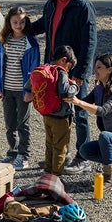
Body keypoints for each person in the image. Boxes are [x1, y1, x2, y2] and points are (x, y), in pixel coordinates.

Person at [29, 0, 97, 175]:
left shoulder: (82, 7)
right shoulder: (52, 3)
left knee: (79, 113)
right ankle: (61, 153)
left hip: (73, 72)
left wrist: (80, 75)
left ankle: (83, 158)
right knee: (56, 112)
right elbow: (43, 24)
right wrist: (21, 27)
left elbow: (89, 43)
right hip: (54, 71)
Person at [64, 53, 112, 191]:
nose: (95, 70)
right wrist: (69, 92)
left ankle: (109, 180)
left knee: (105, 136)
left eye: (99, 67)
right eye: (95, 67)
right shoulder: (99, 89)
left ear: (110, 69)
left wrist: (78, 102)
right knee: (85, 150)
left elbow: (102, 111)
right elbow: (79, 106)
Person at [0, 6, 40, 170]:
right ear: (9, 22)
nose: (19, 25)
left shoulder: (30, 43)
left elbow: (35, 69)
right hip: (7, 89)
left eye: (22, 22)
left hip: (23, 91)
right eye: (15, 22)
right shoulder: (3, 41)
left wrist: (30, 90)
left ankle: (23, 155)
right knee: (10, 124)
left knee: (23, 124)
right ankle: (12, 152)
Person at [25, 45, 79, 176]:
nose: (68, 70)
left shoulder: (43, 69)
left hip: (47, 114)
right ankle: (55, 177)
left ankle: (47, 173)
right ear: (63, 60)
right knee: (60, 147)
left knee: (49, 145)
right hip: (61, 117)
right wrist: (75, 86)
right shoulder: (61, 72)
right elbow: (65, 92)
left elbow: (28, 86)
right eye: (69, 67)